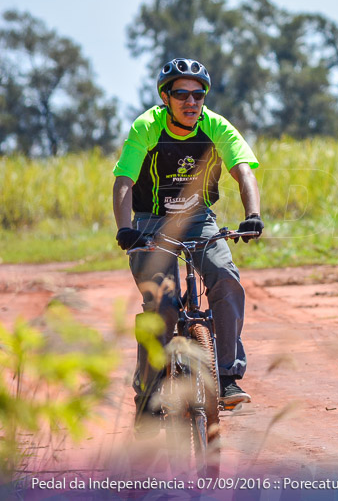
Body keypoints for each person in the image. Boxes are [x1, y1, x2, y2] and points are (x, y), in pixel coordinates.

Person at [112, 58, 264, 422]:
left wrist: (253, 214)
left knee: (225, 276)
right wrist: (124, 229)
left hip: (198, 220)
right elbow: (123, 182)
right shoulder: (147, 126)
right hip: (149, 223)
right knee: (161, 308)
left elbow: (243, 170)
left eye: (198, 94)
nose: (191, 101)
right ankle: (148, 398)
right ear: (165, 97)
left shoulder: (214, 126)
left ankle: (226, 375)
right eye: (181, 94)